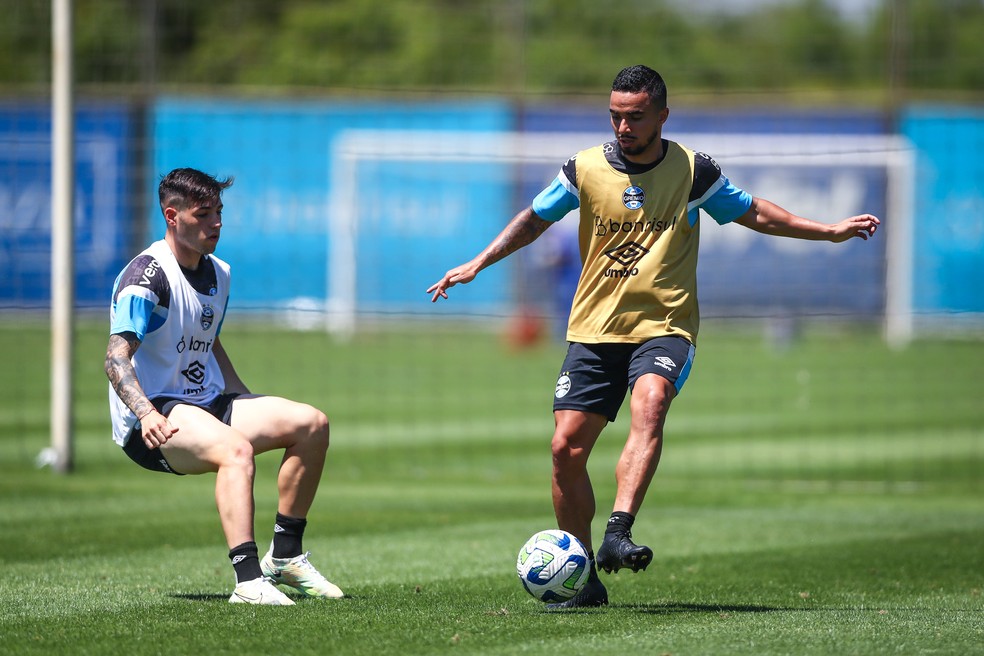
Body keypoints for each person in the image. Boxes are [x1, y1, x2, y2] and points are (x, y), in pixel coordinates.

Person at [427, 65, 880, 609]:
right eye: (616, 115)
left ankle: (618, 530)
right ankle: (581, 576)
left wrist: (828, 230)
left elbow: (754, 211)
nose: (623, 126)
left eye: (635, 117)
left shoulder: (693, 171)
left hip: (665, 326)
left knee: (652, 401)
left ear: (662, 116)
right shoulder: (584, 168)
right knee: (564, 449)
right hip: (593, 329)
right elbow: (535, 218)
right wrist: (479, 261)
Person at [105, 168, 344, 605]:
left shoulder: (220, 273)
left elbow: (207, 340)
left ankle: (285, 557)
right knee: (237, 450)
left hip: (208, 402)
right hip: (154, 415)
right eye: (204, 214)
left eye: (219, 212)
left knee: (312, 423)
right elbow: (115, 358)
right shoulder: (147, 277)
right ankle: (249, 582)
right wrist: (146, 414)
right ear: (172, 215)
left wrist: (241, 396)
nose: (216, 223)